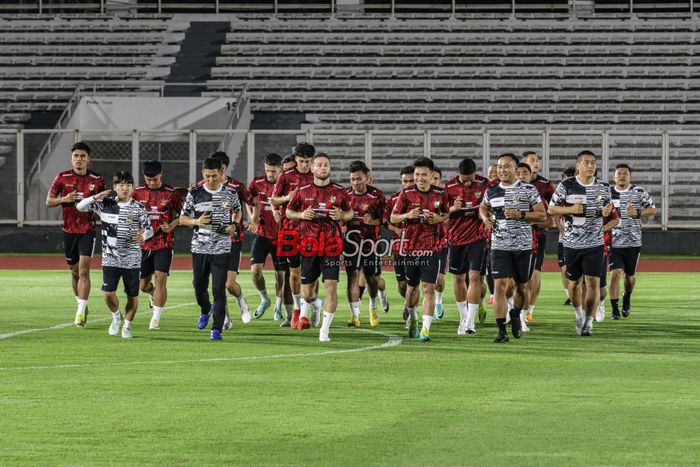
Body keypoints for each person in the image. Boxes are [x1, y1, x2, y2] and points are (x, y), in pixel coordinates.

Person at [76, 171, 153, 338]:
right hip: (110, 258)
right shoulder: (106, 204)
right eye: (121, 185)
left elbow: (149, 230)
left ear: (132, 187)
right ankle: (116, 317)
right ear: (115, 187)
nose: (125, 188)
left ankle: (127, 326)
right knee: (108, 293)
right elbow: (79, 207)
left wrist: (143, 235)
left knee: (132, 296)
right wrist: (96, 197)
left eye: (128, 185)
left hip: (132, 260)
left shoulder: (139, 208)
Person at [286, 152, 354, 341]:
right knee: (307, 294)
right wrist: (301, 216)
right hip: (308, 245)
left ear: (329, 168)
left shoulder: (340, 192)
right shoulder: (302, 190)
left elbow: (350, 213)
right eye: (319, 165)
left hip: (331, 245)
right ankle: (315, 304)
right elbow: (289, 211)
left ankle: (324, 330)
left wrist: (341, 215)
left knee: (330, 286)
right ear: (313, 168)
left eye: (326, 165)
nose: (323, 168)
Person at [480, 153, 546, 343]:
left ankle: (516, 314)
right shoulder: (491, 190)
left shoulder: (528, 190)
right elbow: (483, 207)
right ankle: (501, 331)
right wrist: (485, 218)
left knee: (522, 287)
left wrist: (521, 215)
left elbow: (542, 215)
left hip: (523, 247)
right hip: (499, 246)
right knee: (500, 287)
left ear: (515, 169)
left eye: (506, 166)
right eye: (500, 166)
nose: (502, 170)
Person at [549, 150, 615, 337]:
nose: (590, 165)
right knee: (574, 284)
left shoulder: (603, 186)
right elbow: (551, 208)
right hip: (572, 243)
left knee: (593, 282)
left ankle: (588, 322)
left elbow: (609, 211)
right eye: (586, 162)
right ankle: (579, 314)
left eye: (593, 162)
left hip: (595, 242)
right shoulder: (566, 185)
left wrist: (606, 212)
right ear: (578, 166)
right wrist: (571, 209)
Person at [180, 158, 242, 341]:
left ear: (221, 174)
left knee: (218, 289)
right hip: (200, 248)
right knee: (199, 287)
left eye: (214, 176)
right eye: (207, 176)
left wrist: (234, 224)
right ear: (202, 174)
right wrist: (196, 222)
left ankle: (216, 329)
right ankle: (206, 309)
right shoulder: (195, 193)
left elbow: (238, 211)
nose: (210, 180)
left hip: (221, 248)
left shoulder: (230, 193)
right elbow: (182, 218)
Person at [45, 141, 106, 327]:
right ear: (71, 159)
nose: (79, 159)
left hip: (87, 230)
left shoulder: (97, 180)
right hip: (69, 230)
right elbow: (49, 201)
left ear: (88, 159)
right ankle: (81, 303)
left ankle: (80, 313)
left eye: (82, 156)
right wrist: (64, 199)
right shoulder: (62, 177)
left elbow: (104, 204)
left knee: (84, 270)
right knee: (74, 272)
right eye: (76, 156)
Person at [390, 157, 449, 342]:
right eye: (417, 175)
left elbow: (447, 215)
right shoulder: (406, 194)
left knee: (428, 288)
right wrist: (408, 215)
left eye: (424, 175)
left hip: (431, 248)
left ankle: (425, 329)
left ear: (432, 175)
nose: (420, 178)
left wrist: (437, 219)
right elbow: (393, 218)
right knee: (412, 288)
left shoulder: (441, 194)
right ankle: (413, 317)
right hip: (410, 249)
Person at [131, 160, 182, 330]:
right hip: (144, 245)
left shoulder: (171, 193)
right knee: (143, 285)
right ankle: (152, 294)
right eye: (148, 180)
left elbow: (183, 214)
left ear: (161, 174)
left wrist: (172, 225)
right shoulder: (137, 193)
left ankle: (156, 319)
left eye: (155, 179)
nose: (152, 183)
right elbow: (129, 214)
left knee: (161, 279)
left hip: (164, 243)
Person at [271, 143, 315, 328]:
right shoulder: (287, 176)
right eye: (301, 161)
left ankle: (307, 311)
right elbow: (274, 199)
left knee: (310, 274)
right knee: (294, 273)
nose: (305, 165)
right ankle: (297, 309)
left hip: (312, 232)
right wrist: (287, 198)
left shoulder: (317, 177)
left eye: (308, 161)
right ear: (295, 159)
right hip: (289, 231)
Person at [208, 151, 253, 328]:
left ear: (223, 169)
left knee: (229, 284)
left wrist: (253, 219)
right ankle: (225, 317)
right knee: (217, 284)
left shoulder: (236, 186)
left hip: (233, 240)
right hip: (211, 241)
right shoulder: (203, 187)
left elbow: (251, 201)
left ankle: (241, 301)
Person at [444, 158, 489, 334]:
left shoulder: (484, 184)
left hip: (477, 236)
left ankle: (470, 322)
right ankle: (463, 318)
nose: (468, 181)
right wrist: (451, 210)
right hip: (455, 238)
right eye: (465, 179)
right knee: (458, 278)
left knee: (475, 276)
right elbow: (440, 213)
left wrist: (485, 214)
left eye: (470, 178)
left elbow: (491, 205)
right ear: (458, 173)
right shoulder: (448, 188)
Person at [609, 164, 656, 319]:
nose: (622, 176)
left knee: (629, 277)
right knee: (615, 272)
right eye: (619, 174)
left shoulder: (638, 191)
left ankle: (627, 297)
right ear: (614, 177)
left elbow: (652, 209)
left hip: (633, 241)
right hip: (614, 242)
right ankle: (614, 309)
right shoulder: (608, 193)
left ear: (630, 177)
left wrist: (638, 212)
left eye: (625, 174)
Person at [343, 160, 386, 328]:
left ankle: (373, 307)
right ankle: (355, 315)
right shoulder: (345, 194)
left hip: (370, 243)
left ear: (367, 178)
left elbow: (386, 219)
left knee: (370, 278)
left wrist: (373, 221)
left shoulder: (377, 195)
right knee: (352, 277)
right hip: (350, 244)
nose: (355, 183)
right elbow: (341, 217)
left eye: (359, 179)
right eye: (352, 179)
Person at [248, 153, 287, 321]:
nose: (270, 174)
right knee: (255, 271)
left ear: (281, 170)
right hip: (263, 234)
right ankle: (265, 299)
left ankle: (278, 307)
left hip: (281, 236)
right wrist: (252, 218)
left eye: (274, 171)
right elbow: (248, 200)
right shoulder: (257, 183)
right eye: (268, 170)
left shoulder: (286, 186)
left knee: (280, 275)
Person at [521, 151, 555, 323]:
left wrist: (545, 222)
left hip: (537, 235)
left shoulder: (545, 185)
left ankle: (529, 310)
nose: (536, 163)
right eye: (532, 160)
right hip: (513, 236)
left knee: (535, 273)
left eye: (537, 160)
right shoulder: (509, 184)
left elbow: (553, 211)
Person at [384, 166, 415, 326]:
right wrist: (396, 229)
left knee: (413, 283)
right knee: (402, 284)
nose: (408, 184)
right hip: (398, 247)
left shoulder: (422, 198)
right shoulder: (394, 199)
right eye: (405, 181)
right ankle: (407, 303)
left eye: (411, 181)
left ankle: (412, 313)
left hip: (418, 248)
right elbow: (386, 221)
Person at [555, 167, 577, 305]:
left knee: (578, 270)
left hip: (580, 239)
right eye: (566, 177)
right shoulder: (560, 195)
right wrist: (562, 231)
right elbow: (556, 216)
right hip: (564, 239)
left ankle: (578, 293)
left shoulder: (581, 194)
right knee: (564, 269)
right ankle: (569, 295)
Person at [430, 166, 449, 320]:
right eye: (432, 178)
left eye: (436, 178)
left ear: (440, 180)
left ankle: (438, 301)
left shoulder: (444, 196)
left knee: (439, 278)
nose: (433, 181)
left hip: (442, 242)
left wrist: (442, 218)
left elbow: (451, 215)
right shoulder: (420, 196)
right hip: (423, 244)